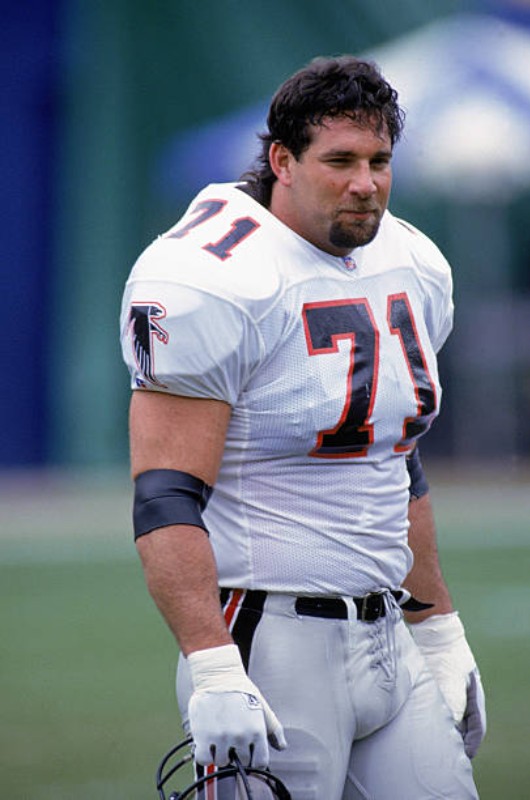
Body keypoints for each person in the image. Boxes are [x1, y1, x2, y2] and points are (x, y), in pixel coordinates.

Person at [120, 56, 486, 799]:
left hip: (387, 631)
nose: (365, 183)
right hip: (268, 640)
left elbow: (394, 459)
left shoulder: (412, 260)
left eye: (379, 161)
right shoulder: (211, 276)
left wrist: (438, 628)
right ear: (282, 162)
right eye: (340, 161)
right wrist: (214, 666)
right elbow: (165, 495)